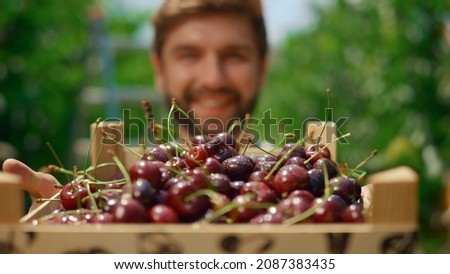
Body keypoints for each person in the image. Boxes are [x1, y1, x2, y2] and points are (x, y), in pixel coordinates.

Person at [1, 0, 269, 205]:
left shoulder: (294, 178)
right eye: (189, 55)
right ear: (159, 71)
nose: (213, 78)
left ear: (263, 69)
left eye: (235, 55)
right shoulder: (118, 186)